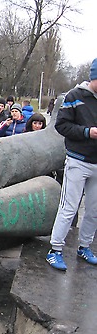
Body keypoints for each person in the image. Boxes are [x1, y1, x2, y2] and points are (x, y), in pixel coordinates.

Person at [46, 58, 97, 271]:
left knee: (94, 210)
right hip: (78, 160)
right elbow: (62, 125)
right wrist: (87, 132)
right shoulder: (74, 96)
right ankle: (55, 249)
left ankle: (84, 246)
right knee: (69, 206)